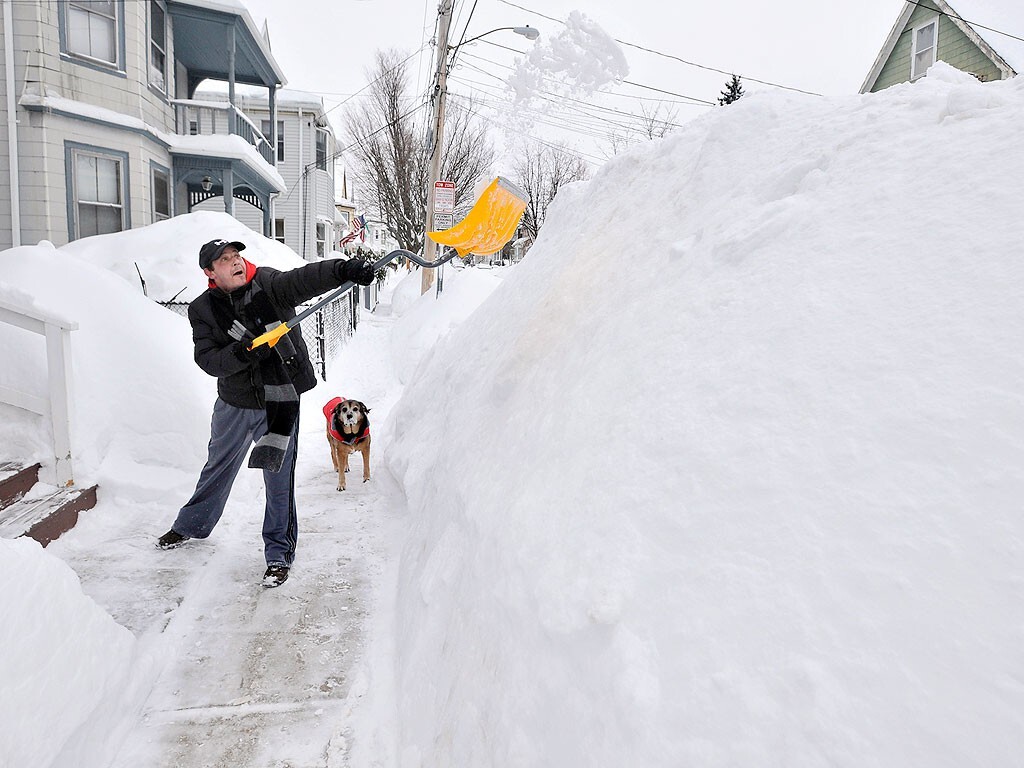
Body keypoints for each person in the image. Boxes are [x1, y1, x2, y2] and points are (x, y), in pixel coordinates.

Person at [157, 238, 376, 588]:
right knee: (217, 467)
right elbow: (208, 359)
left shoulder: (269, 285)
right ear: (210, 272)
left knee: (278, 480)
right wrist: (241, 353)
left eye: (236, 255)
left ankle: (278, 554)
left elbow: (307, 278)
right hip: (234, 403)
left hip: (279, 400)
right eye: (224, 260)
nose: (235, 262)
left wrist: (344, 269)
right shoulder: (203, 309)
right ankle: (192, 525)